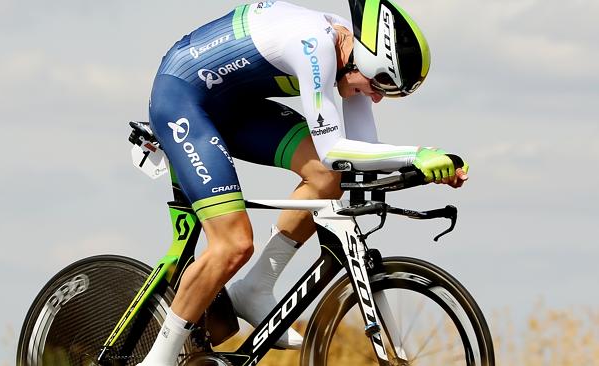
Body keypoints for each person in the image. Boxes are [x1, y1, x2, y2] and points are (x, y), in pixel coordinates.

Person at [139, 1, 468, 365]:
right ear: (364, 58)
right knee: (233, 244)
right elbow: (334, 150)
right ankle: (157, 360)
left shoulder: (353, 57)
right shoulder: (314, 45)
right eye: (381, 84)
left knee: (331, 179)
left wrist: (429, 168)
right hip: (183, 100)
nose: (377, 97)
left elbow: (362, 155)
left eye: (390, 92)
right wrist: (418, 153)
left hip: (236, 105)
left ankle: (256, 287)